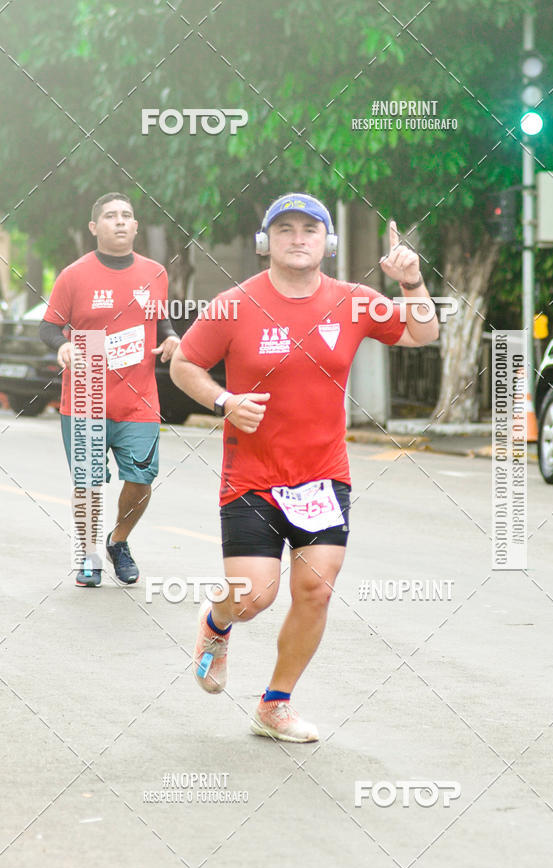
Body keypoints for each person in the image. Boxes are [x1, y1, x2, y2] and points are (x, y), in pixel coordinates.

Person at [170, 192, 439, 742]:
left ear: (328, 242)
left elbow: (421, 333)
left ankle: (274, 705)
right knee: (253, 596)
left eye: (310, 229)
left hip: (322, 476)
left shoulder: (356, 301)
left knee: (315, 591)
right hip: (250, 475)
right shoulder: (234, 304)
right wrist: (224, 402)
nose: (298, 238)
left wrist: (411, 281)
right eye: (286, 228)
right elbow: (184, 363)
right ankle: (215, 624)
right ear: (265, 241)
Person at [40, 192, 180, 587]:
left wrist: (172, 339)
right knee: (87, 484)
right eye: (111, 216)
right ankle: (88, 555)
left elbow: (160, 320)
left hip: (139, 400)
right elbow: (48, 326)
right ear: (94, 227)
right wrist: (63, 345)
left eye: (127, 216)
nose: (120, 221)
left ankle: (118, 541)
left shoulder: (155, 272)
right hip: (85, 398)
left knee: (140, 480)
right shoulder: (74, 275)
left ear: (136, 226)